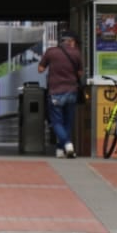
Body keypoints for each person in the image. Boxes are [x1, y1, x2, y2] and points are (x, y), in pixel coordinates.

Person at [38, 31, 83, 159]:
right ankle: (60, 150)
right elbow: (80, 73)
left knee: (56, 122)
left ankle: (67, 144)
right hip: (72, 91)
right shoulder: (77, 53)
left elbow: (40, 69)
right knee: (67, 122)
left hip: (55, 92)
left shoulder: (51, 52)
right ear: (71, 42)